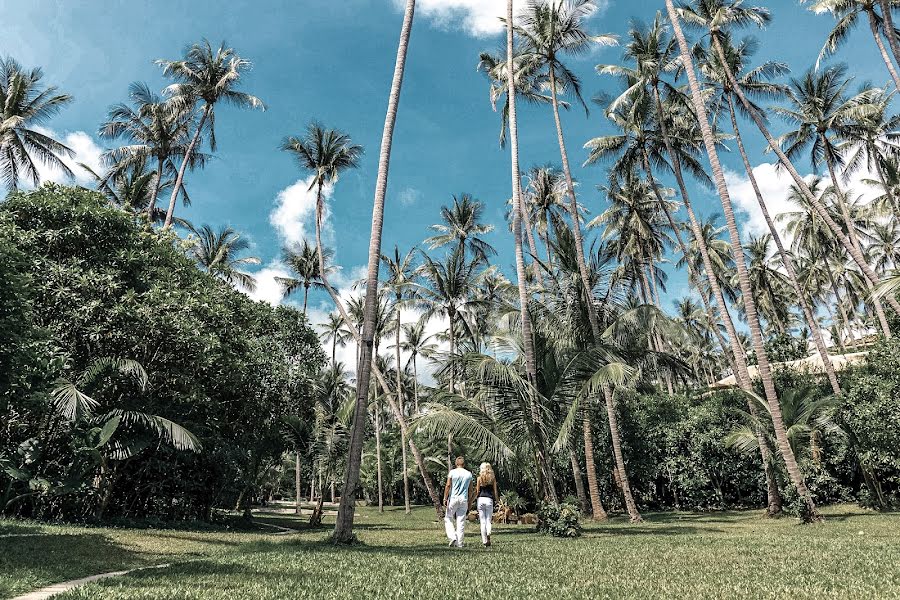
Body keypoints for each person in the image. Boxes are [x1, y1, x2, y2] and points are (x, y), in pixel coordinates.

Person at [443, 456, 472, 547]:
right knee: (461, 521)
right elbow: (471, 489)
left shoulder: (452, 472)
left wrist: (445, 498)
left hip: (453, 498)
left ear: (456, 464)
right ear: (464, 464)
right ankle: (459, 543)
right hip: (463, 499)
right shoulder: (468, 474)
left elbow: (448, 485)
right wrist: (470, 501)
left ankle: (452, 537)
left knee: (448, 518)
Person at [475, 462, 499, 547]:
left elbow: (477, 491)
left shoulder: (479, 478)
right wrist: (497, 500)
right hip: (489, 499)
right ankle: (488, 533)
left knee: (482, 521)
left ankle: (484, 541)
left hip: (481, 499)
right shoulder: (492, 478)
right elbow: (495, 491)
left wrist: (474, 499)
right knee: (488, 520)